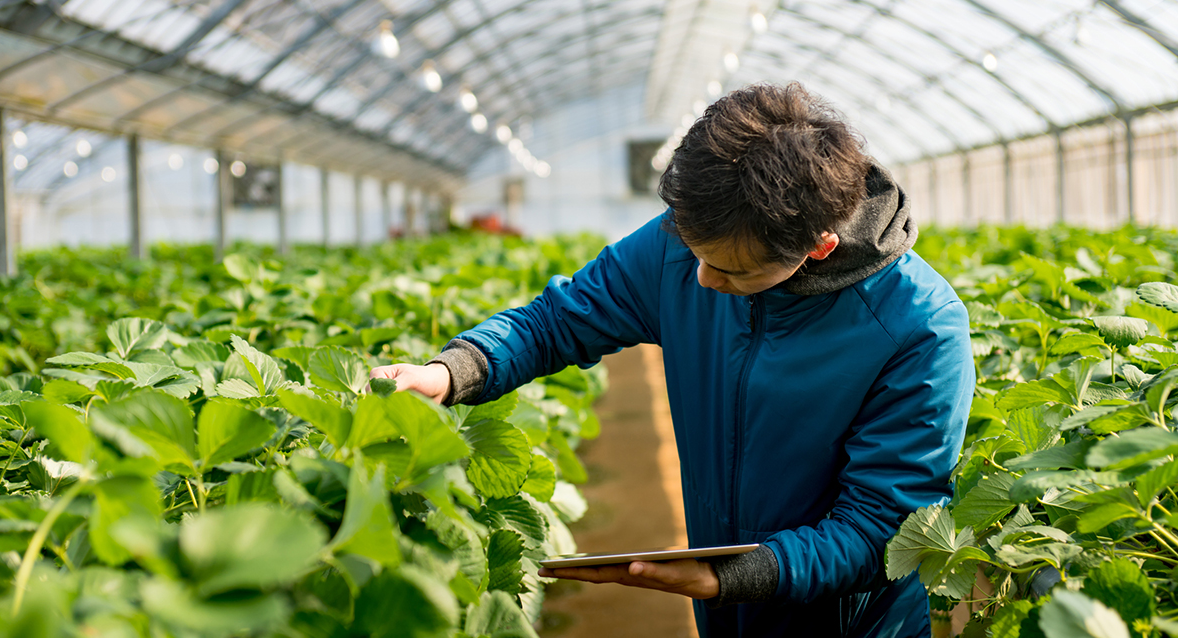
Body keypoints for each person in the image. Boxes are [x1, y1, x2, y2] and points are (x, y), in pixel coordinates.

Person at [370, 82, 975, 637]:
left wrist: (731, 576)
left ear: (818, 248)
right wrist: (452, 371)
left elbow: (883, 528)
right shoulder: (685, 241)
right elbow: (562, 317)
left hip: (847, 625)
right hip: (723, 603)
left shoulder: (918, 328)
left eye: (732, 270)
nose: (702, 281)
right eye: (693, 254)